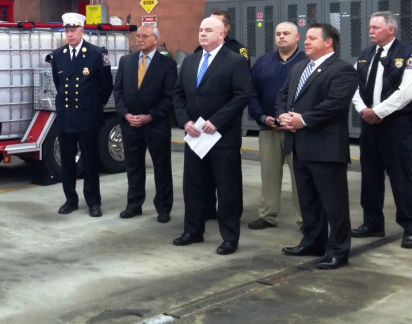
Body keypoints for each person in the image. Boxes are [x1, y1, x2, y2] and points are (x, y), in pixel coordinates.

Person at [276, 23, 358, 270]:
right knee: (308, 201)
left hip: (326, 148)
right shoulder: (300, 66)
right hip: (299, 145)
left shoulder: (342, 70)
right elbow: (283, 95)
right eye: (307, 38)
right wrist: (282, 116)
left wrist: (303, 120)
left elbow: (334, 104)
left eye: (312, 38)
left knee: (334, 204)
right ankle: (313, 241)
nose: (306, 42)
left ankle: (338, 250)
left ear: (328, 42)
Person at [172, 17, 251, 255]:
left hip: (222, 137)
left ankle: (229, 238)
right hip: (195, 136)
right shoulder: (191, 60)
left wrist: (216, 121)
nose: (203, 34)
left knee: (227, 189)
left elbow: (241, 96)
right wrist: (185, 121)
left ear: (222, 35)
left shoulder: (235, 61)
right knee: (193, 186)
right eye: (200, 30)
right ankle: (193, 231)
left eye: (208, 30)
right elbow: (178, 94)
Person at [350, 11, 412, 249]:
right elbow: (355, 87)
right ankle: (372, 223)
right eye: (370, 27)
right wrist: (364, 111)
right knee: (370, 177)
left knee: (400, 177)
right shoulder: (365, 55)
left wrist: (378, 111)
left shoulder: (410, 55)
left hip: (396, 126)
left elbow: (406, 93)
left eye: (375, 28)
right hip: (369, 125)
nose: (370, 31)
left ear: (391, 30)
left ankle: (411, 228)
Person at [49, 13, 113, 218]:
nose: (70, 34)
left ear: (82, 31)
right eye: (67, 31)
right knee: (67, 161)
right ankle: (70, 200)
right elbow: (59, 85)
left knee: (91, 161)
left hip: (88, 117)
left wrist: (94, 105)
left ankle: (93, 201)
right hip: (67, 116)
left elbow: (106, 86)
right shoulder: (58, 55)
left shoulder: (96, 54)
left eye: (74, 30)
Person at [112, 24, 177, 222]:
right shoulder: (126, 61)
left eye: (144, 36)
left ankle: (164, 208)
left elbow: (170, 97)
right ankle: (134, 204)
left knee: (161, 167)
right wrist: (125, 115)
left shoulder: (167, 65)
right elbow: (118, 92)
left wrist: (151, 116)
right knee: (133, 166)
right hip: (130, 125)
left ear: (156, 40)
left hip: (155, 125)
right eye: (137, 36)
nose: (139, 40)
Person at [247, 22, 305, 231]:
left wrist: (296, 119)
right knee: (269, 174)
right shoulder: (263, 63)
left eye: (286, 33)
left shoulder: (307, 61)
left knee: (300, 176)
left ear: (297, 37)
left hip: (297, 131)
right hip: (268, 129)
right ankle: (268, 215)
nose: (281, 37)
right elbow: (252, 94)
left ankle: (305, 219)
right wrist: (262, 118)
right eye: (278, 34)